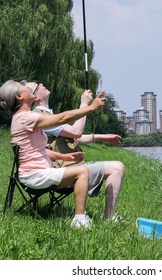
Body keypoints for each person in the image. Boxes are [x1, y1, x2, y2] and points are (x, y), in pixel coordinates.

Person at [0, 80, 106, 229]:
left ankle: (80, 218)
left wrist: (64, 157)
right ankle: (79, 220)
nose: (29, 89)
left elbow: (37, 149)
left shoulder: (23, 117)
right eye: (25, 88)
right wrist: (90, 107)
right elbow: (63, 118)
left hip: (36, 173)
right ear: (19, 97)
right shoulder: (26, 118)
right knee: (82, 171)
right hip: (34, 175)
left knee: (82, 170)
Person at [27, 81, 125, 221]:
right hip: (61, 172)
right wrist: (85, 104)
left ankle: (109, 216)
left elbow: (73, 138)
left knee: (116, 167)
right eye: (38, 85)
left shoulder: (47, 116)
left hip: (68, 168)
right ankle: (109, 217)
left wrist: (104, 137)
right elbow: (76, 132)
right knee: (117, 167)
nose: (42, 84)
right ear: (35, 97)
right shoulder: (41, 117)